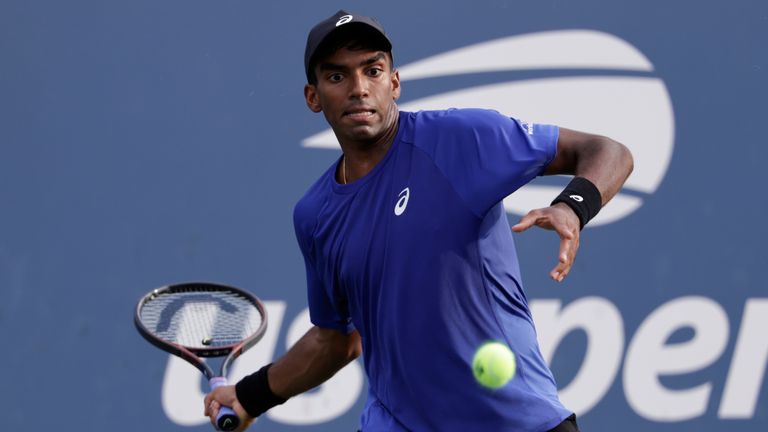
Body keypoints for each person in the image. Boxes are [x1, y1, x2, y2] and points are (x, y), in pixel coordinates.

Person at [204, 9, 633, 432]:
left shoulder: (462, 139)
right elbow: (337, 339)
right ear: (313, 97)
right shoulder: (315, 215)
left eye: (372, 71)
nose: (358, 88)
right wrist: (249, 396)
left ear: (394, 83)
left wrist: (572, 207)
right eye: (337, 76)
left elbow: (607, 151)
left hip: (517, 423)